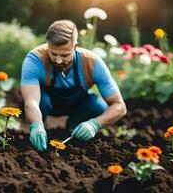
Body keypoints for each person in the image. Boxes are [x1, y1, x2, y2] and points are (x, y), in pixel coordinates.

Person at [21, 20, 127, 152]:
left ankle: (74, 133)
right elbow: (31, 102)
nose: (58, 60)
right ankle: (39, 134)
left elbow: (120, 106)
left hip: (77, 106)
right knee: (40, 101)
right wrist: (36, 125)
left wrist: (95, 124)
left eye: (65, 55)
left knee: (97, 107)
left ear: (75, 46)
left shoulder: (92, 63)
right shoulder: (35, 59)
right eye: (53, 54)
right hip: (46, 104)